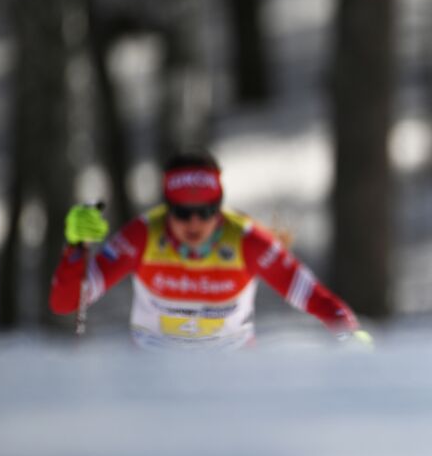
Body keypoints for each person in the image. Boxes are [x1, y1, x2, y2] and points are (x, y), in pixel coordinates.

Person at [49, 149, 369, 349]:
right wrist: (76, 249)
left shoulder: (247, 240)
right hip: (153, 380)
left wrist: (349, 335)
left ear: (219, 207)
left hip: (231, 381)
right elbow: (67, 304)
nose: (194, 222)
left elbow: (314, 297)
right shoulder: (143, 236)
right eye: (182, 212)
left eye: (205, 212)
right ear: (167, 209)